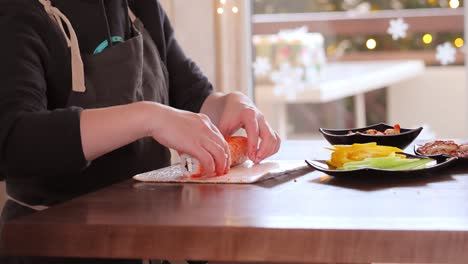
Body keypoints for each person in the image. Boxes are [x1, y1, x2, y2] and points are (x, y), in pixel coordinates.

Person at [0, 0, 281, 263]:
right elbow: (13, 141)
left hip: (146, 238)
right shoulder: (18, 11)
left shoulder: (139, 6)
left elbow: (192, 97)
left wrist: (230, 104)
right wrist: (149, 117)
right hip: (54, 245)